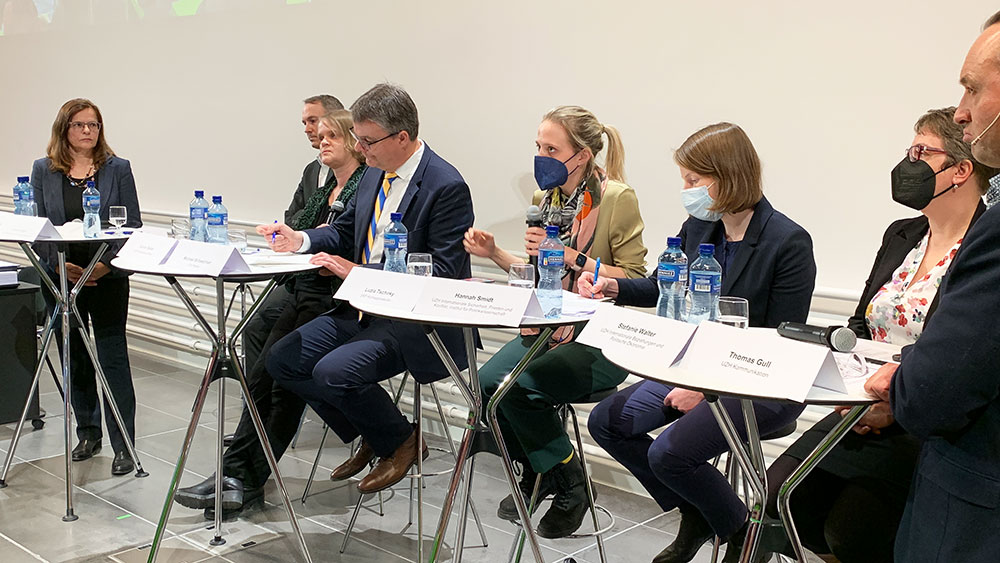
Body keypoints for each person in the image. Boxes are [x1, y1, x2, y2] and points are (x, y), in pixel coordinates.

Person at [764, 107, 997, 563]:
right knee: (778, 499)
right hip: (861, 404)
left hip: (922, 416)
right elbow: (859, 324)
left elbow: (962, 357)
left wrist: (893, 402)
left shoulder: (983, 242)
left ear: (961, 169)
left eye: (921, 152)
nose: (907, 163)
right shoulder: (902, 234)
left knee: (850, 532)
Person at [584, 122, 816, 563]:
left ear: (728, 176)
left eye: (694, 181)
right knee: (606, 422)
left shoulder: (787, 241)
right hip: (695, 367)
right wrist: (614, 289)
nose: (687, 191)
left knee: (669, 453)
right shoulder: (698, 227)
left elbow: (786, 341)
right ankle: (701, 511)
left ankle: (744, 537)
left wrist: (710, 388)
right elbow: (662, 285)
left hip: (760, 382)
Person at [259, 83, 475, 495]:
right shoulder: (375, 172)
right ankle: (379, 435)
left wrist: (361, 275)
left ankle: (400, 442)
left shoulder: (445, 186)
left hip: (413, 322)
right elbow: (343, 230)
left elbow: (443, 273)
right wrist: (299, 240)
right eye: (357, 138)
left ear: (402, 138)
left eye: (368, 140)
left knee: (332, 371)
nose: (360, 148)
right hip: (362, 309)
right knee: (283, 359)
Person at [464, 105, 648, 539]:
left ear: (580, 156)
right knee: (488, 384)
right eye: (538, 146)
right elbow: (539, 275)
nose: (541, 156)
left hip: (599, 336)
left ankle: (571, 482)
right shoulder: (544, 200)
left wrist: (573, 258)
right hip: (549, 325)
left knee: (519, 389)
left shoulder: (616, 198)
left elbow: (637, 279)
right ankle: (539, 469)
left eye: (552, 148)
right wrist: (495, 253)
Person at [174, 109, 366, 518]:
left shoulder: (364, 188)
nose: (322, 140)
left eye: (332, 134)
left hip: (336, 301)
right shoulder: (326, 187)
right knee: (263, 381)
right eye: (322, 133)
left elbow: (342, 241)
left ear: (354, 141)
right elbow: (300, 228)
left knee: (273, 382)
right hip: (303, 292)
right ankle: (239, 479)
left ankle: (239, 478)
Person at [864, 12, 1000, 562]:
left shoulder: (988, 233)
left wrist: (903, 382)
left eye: (971, 87)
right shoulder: (902, 235)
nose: (962, 110)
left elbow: (937, 389)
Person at [30, 98, 143, 476]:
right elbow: (38, 228)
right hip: (61, 276)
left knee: (112, 358)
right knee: (74, 356)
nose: (87, 132)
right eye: (79, 125)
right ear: (64, 129)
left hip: (106, 277)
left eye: (93, 125)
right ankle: (88, 432)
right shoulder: (44, 171)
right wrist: (62, 265)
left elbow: (132, 226)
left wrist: (103, 267)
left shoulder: (118, 169)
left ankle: (123, 443)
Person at [243, 94, 345, 376]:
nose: (308, 129)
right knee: (253, 326)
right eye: (305, 123)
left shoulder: (361, 176)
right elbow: (294, 217)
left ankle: (275, 399)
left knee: (275, 335)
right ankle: (256, 403)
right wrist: (296, 235)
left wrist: (304, 235)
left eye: (313, 121)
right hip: (298, 270)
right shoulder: (312, 170)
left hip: (325, 279)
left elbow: (336, 230)